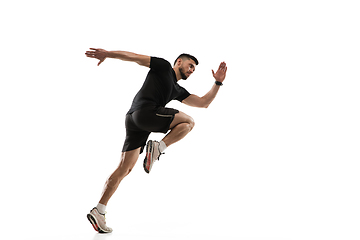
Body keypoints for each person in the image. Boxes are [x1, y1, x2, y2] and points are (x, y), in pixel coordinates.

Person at [85, 48, 227, 233]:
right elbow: (134, 57)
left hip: (134, 120)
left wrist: (217, 82)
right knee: (189, 122)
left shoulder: (177, 90)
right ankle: (158, 147)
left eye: (194, 69)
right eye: (190, 66)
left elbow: (203, 103)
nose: (192, 70)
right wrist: (107, 54)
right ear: (179, 62)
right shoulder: (163, 66)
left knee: (124, 169)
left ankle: (99, 209)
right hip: (146, 112)